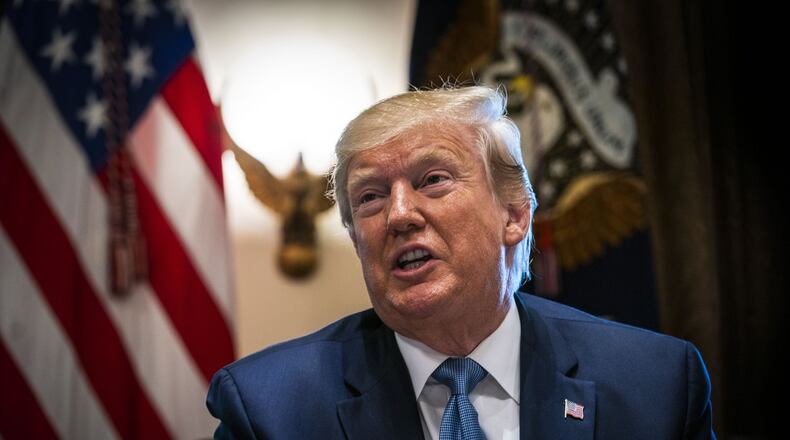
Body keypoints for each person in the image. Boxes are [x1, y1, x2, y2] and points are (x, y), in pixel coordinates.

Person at [206, 86, 715, 439]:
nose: (399, 215)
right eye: (370, 197)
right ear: (358, 243)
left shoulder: (655, 385)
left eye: (432, 180)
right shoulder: (269, 409)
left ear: (514, 215)